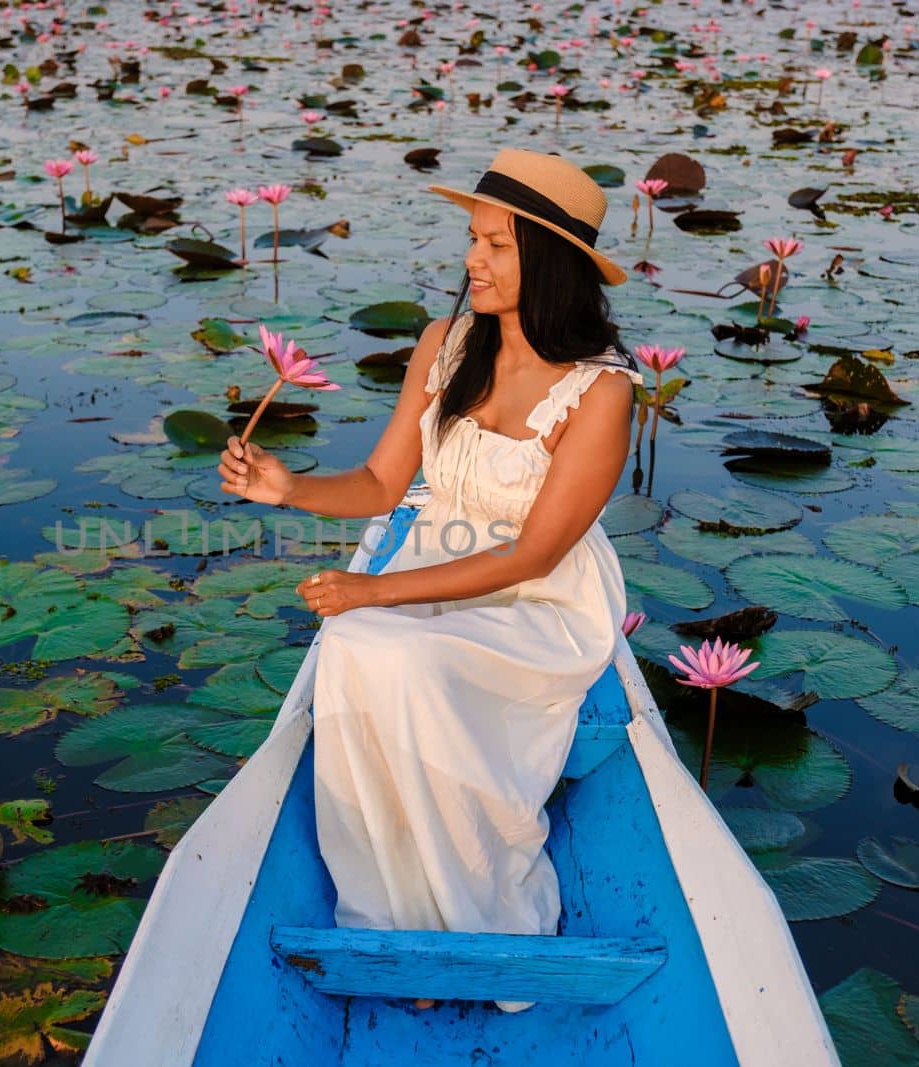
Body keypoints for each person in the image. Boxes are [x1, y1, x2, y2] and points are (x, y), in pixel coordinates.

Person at [215, 149, 641, 1015]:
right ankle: (395, 911)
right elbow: (380, 485)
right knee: (356, 650)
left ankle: (482, 905)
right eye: (472, 238)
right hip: (431, 561)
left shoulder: (600, 391)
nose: (470, 260)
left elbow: (532, 556)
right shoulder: (445, 346)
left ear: (549, 261)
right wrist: (288, 486)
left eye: (493, 244)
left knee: (388, 650)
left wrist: (371, 591)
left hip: (536, 598)